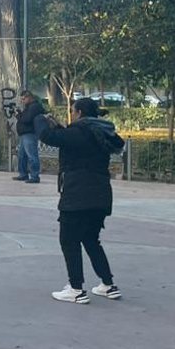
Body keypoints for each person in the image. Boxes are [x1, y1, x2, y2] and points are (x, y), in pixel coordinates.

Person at [34, 97, 124, 304]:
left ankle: (76, 288)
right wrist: (59, 126)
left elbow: (47, 136)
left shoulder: (80, 132)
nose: (72, 115)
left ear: (80, 113)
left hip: (78, 194)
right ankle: (108, 285)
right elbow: (70, 136)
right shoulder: (101, 131)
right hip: (101, 194)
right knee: (91, 239)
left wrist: (38, 115)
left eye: (73, 111)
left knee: (69, 240)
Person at [14, 90, 45, 183]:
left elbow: (27, 119)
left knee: (31, 155)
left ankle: (34, 176)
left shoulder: (34, 107)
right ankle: (23, 174)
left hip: (30, 133)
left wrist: (18, 116)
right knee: (22, 155)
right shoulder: (29, 107)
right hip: (24, 133)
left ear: (29, 97)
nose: (23, 101)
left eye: (24, 99)